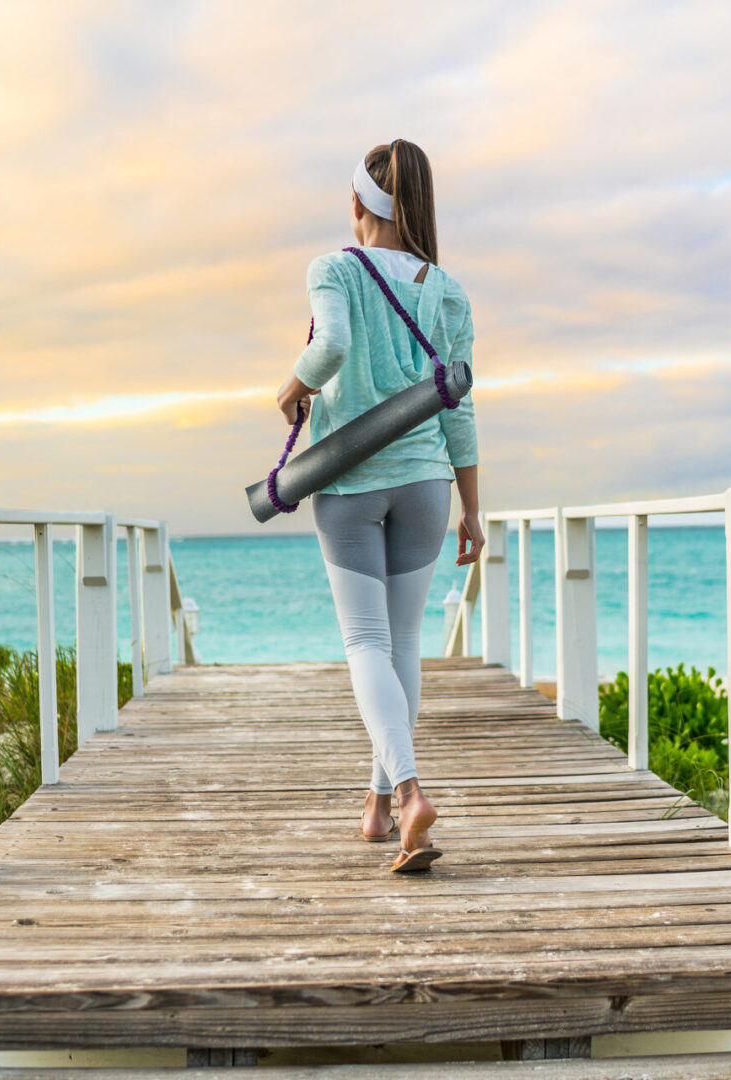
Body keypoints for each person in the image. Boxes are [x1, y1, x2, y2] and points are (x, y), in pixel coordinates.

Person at [276, 139, 483, 872]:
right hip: (427, 484)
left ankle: (408, 791)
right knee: (400, 647)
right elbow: (458, 410)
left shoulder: (333, 268)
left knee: (365, 645)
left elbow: (329, 346)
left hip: (353, 484)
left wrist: (293, 386)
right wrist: (472, 510)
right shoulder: (447, 289)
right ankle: (374, 809)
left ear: (358, 203)